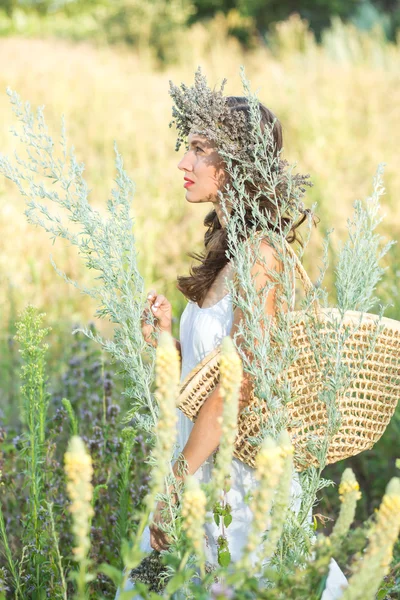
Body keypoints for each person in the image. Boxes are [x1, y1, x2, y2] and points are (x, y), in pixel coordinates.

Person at [115, 87, 348, 599]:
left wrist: (177, 484)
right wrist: (165, 344)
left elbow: (236, 387)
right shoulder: (229, 255)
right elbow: (204, 381)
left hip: (237, 487)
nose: (184, 161)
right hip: (201, 469)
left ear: (235, 163)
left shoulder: (262, 256)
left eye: (200, 149)